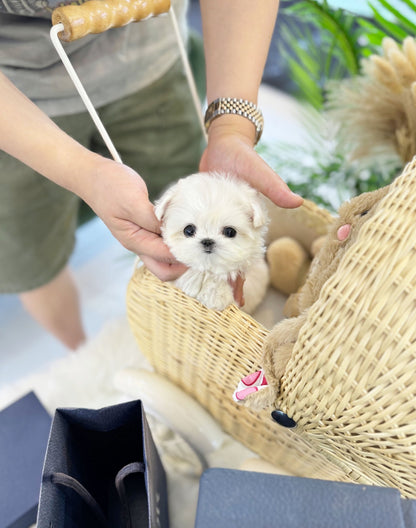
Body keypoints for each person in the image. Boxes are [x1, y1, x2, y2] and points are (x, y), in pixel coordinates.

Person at [0, 0, 302, 350]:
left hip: (153, 59)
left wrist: (231, 127)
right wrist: (82, 172)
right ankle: (80, 348)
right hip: (14, 109)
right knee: (33, 258)